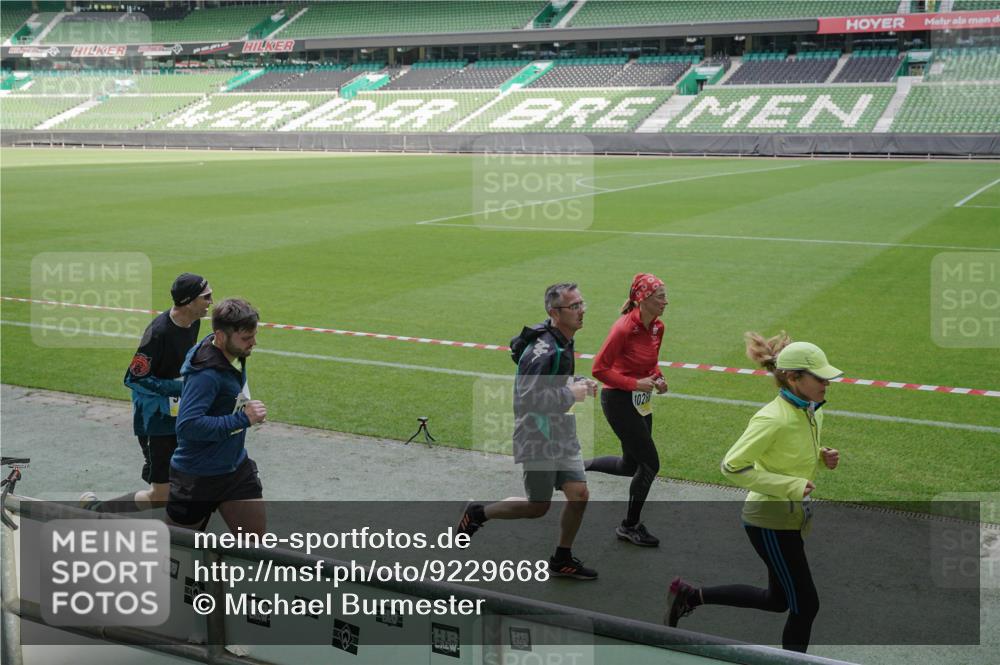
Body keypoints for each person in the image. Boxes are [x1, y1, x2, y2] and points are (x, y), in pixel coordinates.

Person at [665, 332, 843, 653]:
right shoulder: (771, 418)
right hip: (768, 523)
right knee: (805, 604)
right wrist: (789, 485)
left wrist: (821, 454)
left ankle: (689, 596)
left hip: (791, 517)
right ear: (793, 378)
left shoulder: (812, 409)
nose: (826, 384)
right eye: (820, 378)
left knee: (778, 600)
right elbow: (732, 466)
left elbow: (790, 448)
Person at [458, 282, 600, 580]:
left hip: (562, 433)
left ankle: (561, 558)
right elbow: (526, 401)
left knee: (579, 494)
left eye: (581, 303)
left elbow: (555, 381)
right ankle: (479, 513)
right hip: (538, 437)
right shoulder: (541, 351)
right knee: (538, 507)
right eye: (574, 307)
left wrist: (579, 381)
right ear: (554, 312)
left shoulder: (563, 339)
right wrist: (570, 394)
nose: (581, 311)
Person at [81, 273, 212, 513]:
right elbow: (134, 378)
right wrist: (181, 387)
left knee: (188, 479)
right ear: (189, 301)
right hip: (155, 419)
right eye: (206, 297)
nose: (211, 302)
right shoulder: (158, 333)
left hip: (178, 414)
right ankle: (97, 509)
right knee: (161, 494)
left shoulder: (195, 322)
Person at [166, 298, 268, 535]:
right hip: (197, 477)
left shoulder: (227, 352)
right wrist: (243, 419)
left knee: (255, 543)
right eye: (246, 338)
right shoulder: (206, 375)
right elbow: (188, 426)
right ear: (221, 337)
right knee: (178, 554)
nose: (254, 342)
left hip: (234, 469)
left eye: (253, 335)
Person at [584, 273, 669, 547]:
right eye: (660, 297)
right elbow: (599, 369)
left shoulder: (658, 327)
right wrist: (634, 383)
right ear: (642, 300)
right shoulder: (623, 329)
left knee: (630, 464)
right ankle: (629, 526)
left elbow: (650, 364)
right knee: (650, 463)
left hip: (640, 402)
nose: (665, 302)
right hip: (618, 401)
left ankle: (574, 466)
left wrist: (657, 378)